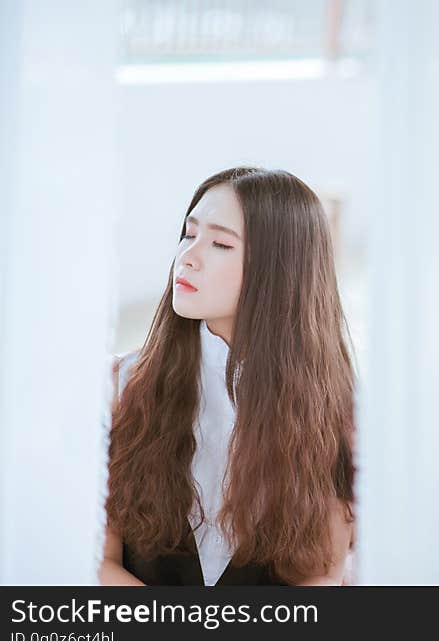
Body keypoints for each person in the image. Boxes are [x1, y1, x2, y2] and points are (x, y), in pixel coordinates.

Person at [97, 167, 356, 585]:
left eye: (219, 243)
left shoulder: (337, 410)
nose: (188, 256)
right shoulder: (123, 387)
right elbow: (93, 562)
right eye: (188, 234)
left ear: (278, 268)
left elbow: (321, 580)